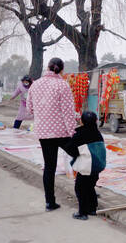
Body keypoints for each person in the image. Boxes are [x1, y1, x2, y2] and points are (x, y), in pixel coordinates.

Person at [27, 58, 78, 212]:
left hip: (44, 132)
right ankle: (87, 190)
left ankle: (50, 202)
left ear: (47, 68)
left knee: (49, 167)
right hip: (62, 132)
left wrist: (43, 115)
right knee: (81, 156)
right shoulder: (62, 85)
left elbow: (30, 109)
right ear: (61, 70)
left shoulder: (35, 85)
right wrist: (73, 132)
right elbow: (68, 112)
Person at [70, 111, 106, 220]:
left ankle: (82, 213)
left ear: (82, 121)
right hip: (97, 167)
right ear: (95, 121)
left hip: (86, 167)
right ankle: (92, 209)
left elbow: (72, 150)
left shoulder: (80, 134)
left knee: (80, 188)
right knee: (90, 187)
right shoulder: (98, 134)